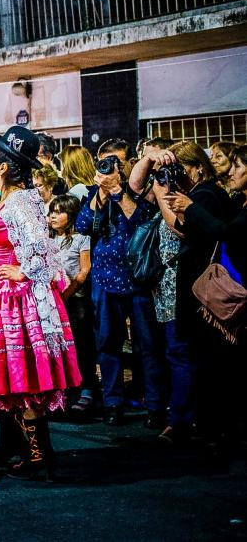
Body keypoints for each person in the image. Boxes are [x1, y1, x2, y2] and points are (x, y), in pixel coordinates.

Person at [0, 126, 81, 481]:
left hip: (15, 298)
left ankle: (40, 455)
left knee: (24, 372)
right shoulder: (12, 200)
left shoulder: (21, 201)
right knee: (4, 371)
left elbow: (44, 247)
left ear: (5, 167)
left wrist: (23, 271)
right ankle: (10, 444)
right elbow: (7, 239)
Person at [131, 140, 231, 443]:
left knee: (182, 352)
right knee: (172, 351)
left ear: (198, 167)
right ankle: (185, 415)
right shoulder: (183, 192)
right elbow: (136, 185)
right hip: (168, 285)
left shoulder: (205, 195)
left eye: (179, 168)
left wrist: (164, 189)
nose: (172, 174)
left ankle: (185, 420)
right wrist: (150, 160)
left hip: (193, 287)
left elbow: (178, 227)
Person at [75, 138, 167, 428]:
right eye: (104, 161)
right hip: (104, 280)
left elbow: (135, 221)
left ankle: (155, 406)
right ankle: (113, 403)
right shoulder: (94, 193)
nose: (110, 166)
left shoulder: (142, 193)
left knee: (148, 347)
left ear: (128, 164)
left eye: (116, 161)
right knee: (108, 345)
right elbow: (82, 225)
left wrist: (117, 191)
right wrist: (100, 194)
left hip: (138, 280)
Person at [162, 143, 247, 450]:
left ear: (198, 167)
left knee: (212, 361)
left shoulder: (208, 194)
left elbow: (221, 233)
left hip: (211, 293)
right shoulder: (216, 195)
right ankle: (211, 423)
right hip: (204, 290)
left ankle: (216, 426)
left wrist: (187, 206)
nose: (233, 172)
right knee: (205, 358)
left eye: (238, 166)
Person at [48, 194, 97, 414]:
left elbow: (84, 270)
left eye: (59, 212)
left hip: (75, 300)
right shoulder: (48, 240)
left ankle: (87, 388)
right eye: (51, 212)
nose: (53, 217)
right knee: (60, 347)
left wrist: (68, 292)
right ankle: (65, 389)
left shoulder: (80, 238)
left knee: (81, 344)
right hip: (52, 302)